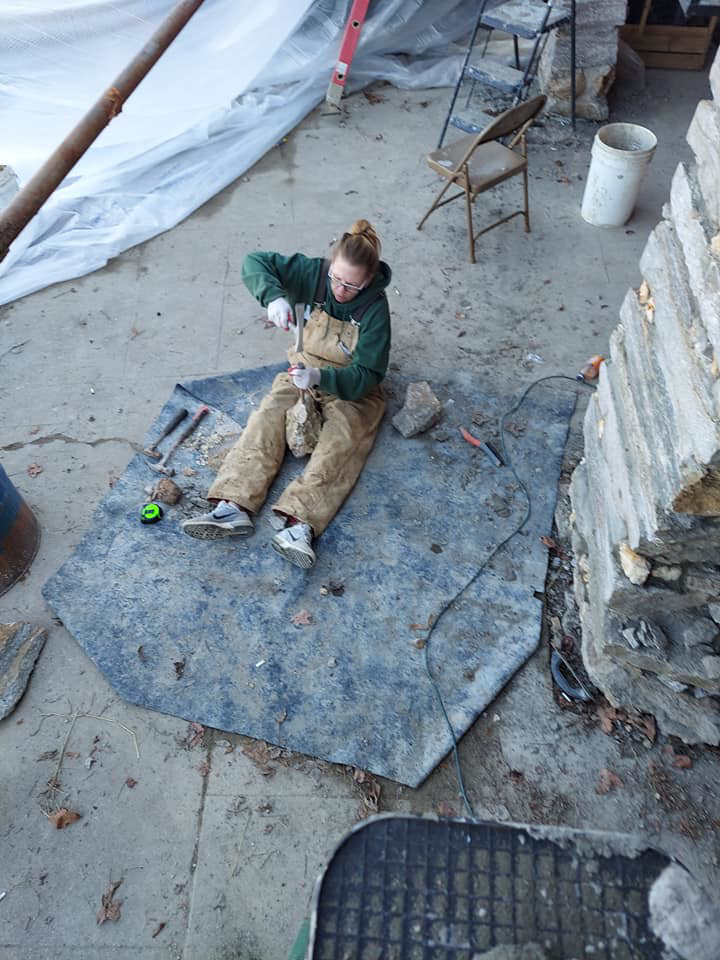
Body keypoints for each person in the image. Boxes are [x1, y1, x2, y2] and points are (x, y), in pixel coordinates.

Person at [182, 219, 392, 569]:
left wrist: (321, 377)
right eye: (336, 280)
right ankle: (232, 506)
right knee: (265, 418)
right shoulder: (314, 274)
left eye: (351, 286)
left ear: (368, 281)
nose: (340, 290)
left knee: (342, 444)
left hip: (352, 387)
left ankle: (299, 526)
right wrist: (274, 297)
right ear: (330, 267)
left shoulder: (375, 310)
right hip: (301, 370)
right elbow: (255, 262)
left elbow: (368, 374)